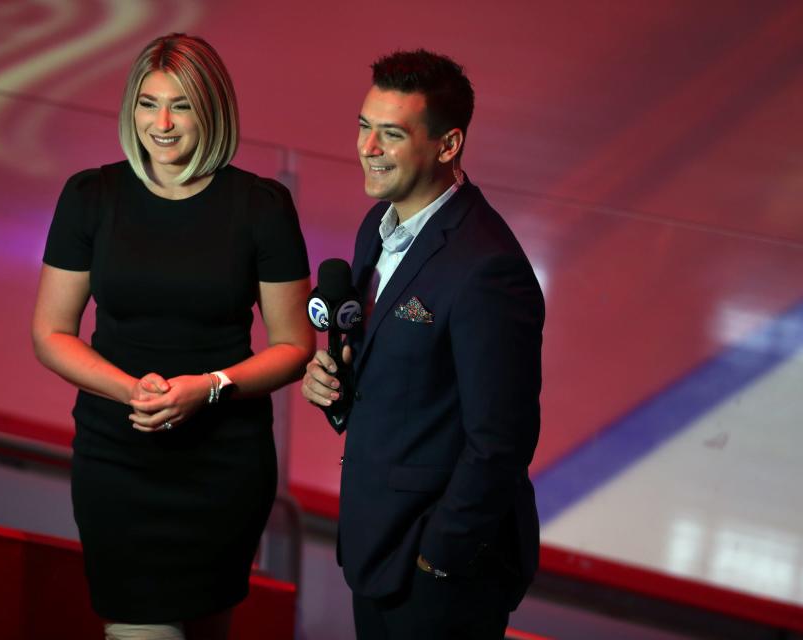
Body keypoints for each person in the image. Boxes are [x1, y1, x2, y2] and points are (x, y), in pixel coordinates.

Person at [32, 33, 314, 640]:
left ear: (212, 110)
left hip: (223, 465)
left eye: (181, 105)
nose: (161, 123)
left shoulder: (262, 206)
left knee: (208, 630)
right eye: (147, 102)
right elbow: (51, 333)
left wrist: (208, 388)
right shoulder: (90, 196)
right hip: (117, 459)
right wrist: (132, 390)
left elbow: (295, 347)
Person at [301, 49, 545, 639]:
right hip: (375, 548)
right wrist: (334, 386)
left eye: (391, 133)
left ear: (448, 144)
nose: (368, 147)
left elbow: (501, 442)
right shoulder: (377, 228)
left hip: (440, 574)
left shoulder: (487, 267)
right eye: (364, 126)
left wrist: (438, 558)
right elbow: (394, 377)